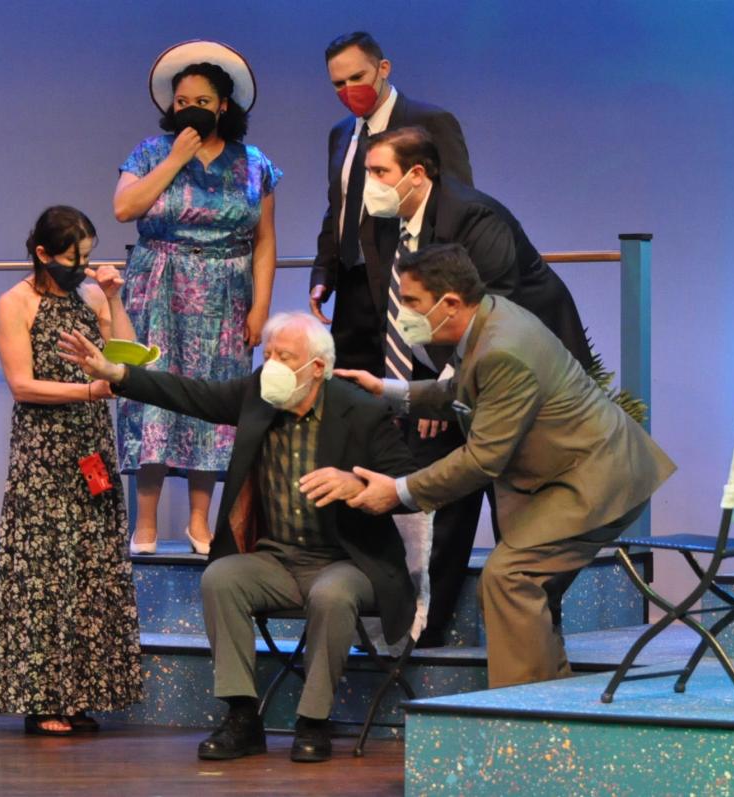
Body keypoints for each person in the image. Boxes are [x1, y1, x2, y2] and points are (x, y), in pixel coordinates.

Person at [58, 312, 417, 763]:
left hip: (347, 561)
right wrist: (117, 373)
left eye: (285, 357)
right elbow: (191, 394)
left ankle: (313, 721)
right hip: (276, 559)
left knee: (332, 593)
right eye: (268, 354)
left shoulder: (361, 410)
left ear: (317, 368)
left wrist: (359, 484)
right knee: (222, 577)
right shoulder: (258, 395)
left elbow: (411, 486)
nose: (272, 365)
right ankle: (242, 716)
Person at [337, 244, 676, 689]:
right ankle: (548, 701)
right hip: (573, 473)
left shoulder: (503, 348)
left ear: (450, 303)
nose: (403, 314)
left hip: (597, 479)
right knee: (523, 586)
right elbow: (463, 391)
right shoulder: (487, 319)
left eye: (412, 301)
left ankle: (521, 711)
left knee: (511, 577)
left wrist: (398, 492)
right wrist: (389, 391)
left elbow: (482, 458)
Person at [362, 125, 594, 646]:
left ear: (416, 174)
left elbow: (493, 303)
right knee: (446, 491)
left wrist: (450, 382)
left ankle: (536, 638)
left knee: (517, 501)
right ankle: (426, 628)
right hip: (455, 371)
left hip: (523, 372)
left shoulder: (473, 216)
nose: (369, 183)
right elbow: (411, 310)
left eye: (379, 172)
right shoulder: (385, 225)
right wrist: (426, 385)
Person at [114, 41, 281, 555]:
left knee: (213, 400)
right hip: (159, 285)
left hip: (226, 293)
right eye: (181, 101)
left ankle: (199, 522)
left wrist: (261, 307)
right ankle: (144, 523)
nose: (189, 109)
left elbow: (265, 241)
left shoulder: (254, 163)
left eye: (202, 102)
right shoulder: (150, 152)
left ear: (223, 106)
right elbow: (124, 209)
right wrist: (175, 160)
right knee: (152, 393)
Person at [0, 206, 143, 736]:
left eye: (87, 257)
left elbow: (127, 360)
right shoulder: (15, 303)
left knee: (90, 567)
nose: (82, 268)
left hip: (91, 447)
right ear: (42, 254)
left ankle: (80, 694)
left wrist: (114, 298)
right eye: (73, 259)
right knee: (45, 571)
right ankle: (42, 700)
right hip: (44, 454)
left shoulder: (91, 297)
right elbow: (22, 385)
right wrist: (90, 390)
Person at [310, 31, 473, 374]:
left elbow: (457, 205)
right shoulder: (341, 134)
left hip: (408, 282)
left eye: (357, 77)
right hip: (353, 290)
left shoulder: (429, 122)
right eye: (339, 84)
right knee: (352, 391)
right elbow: (338, 206)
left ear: (383, 68)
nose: (349, 89)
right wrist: (324, 271)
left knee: (415, 389)